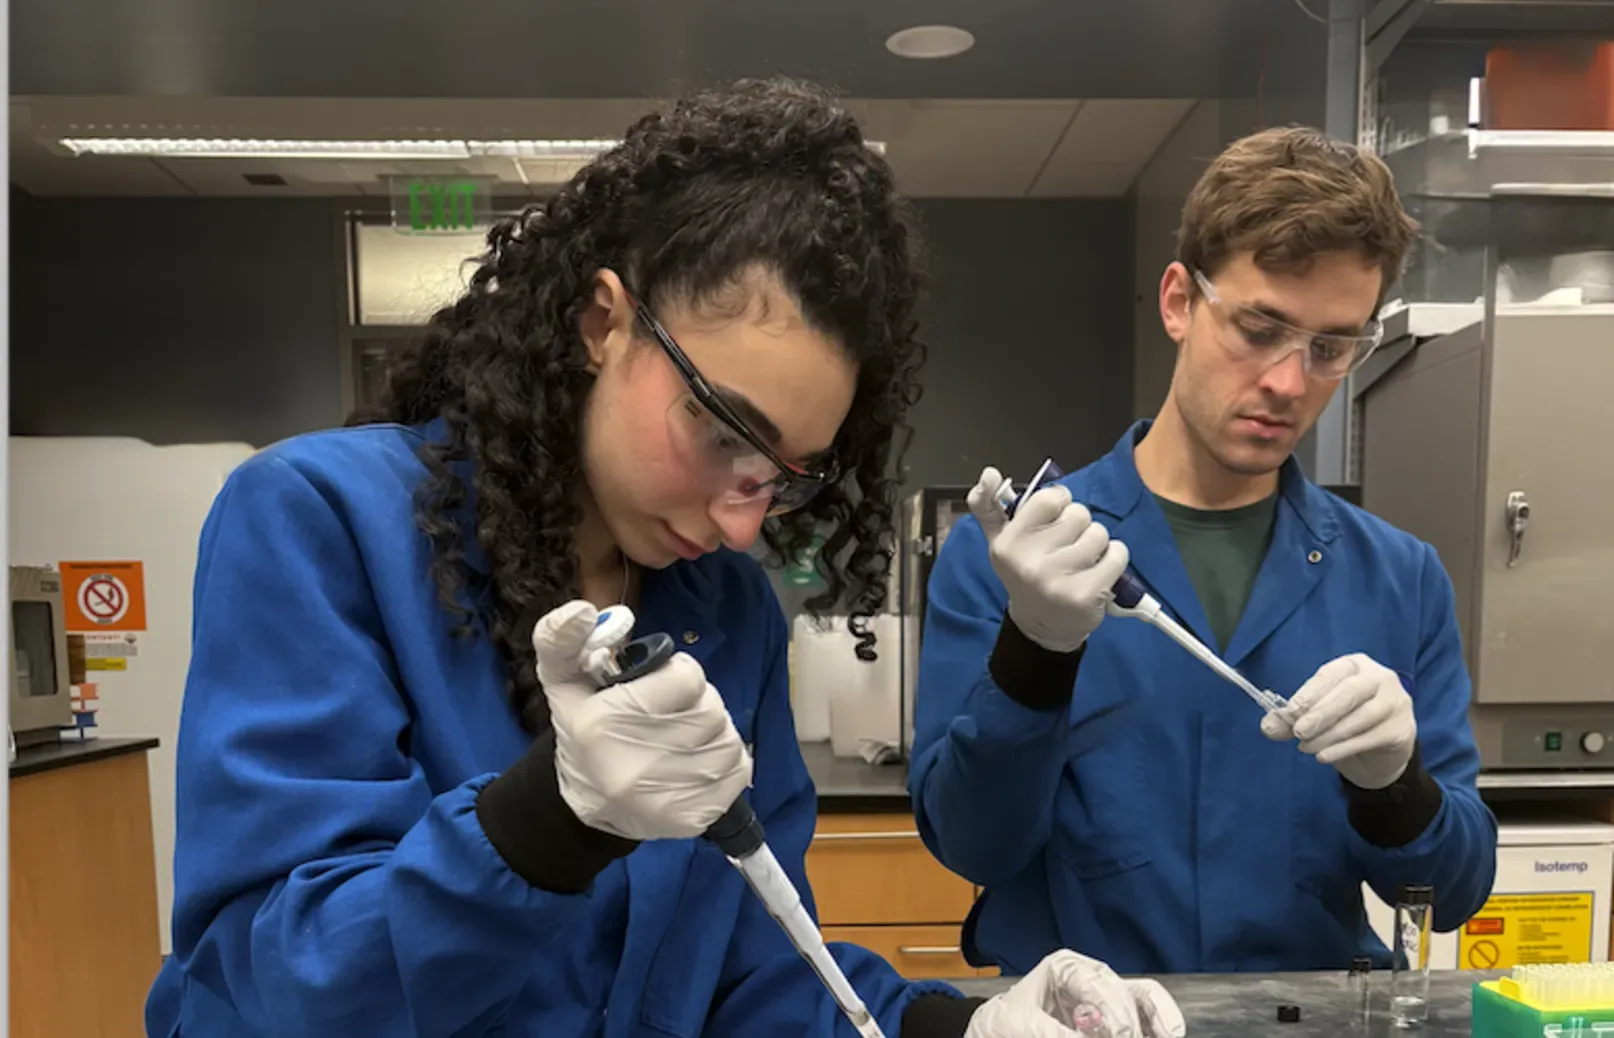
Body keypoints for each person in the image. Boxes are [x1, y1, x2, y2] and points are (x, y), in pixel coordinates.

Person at [145, 78, 1186, 1038]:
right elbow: (280, 978)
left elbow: (758, 971)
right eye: (722, 430)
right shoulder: (320, 521)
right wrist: (548, 820)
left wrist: (964, 1028)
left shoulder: (722, 609)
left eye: (785, 473)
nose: (743, 525)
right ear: (605, 323)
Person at [909, 126, 1499, 976]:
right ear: (1180, 300)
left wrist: (1396, 786)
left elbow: (1456, 889)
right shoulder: (1014, 557)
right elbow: (973, 844)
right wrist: (1034, 653)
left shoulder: (1398, 579)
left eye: (1331, 348)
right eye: (1260, 329)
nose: (1291, 384)